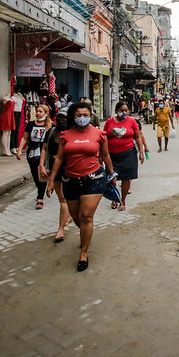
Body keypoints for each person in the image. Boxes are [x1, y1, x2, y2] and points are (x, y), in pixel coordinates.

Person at [47, 101, 116, 271]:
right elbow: (59, 158)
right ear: (73, 116)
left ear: (90, 116)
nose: (82, 118)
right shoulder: (65, 135)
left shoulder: (100, 134)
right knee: (76, 216)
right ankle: (86, 232)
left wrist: (112, 174)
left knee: (86, 216)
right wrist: (51, 180)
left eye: (85, 115)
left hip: (94, 179)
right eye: (78, 115)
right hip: (70, 181)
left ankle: (83, 253)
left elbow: (105, 156)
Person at [103, 101, 146, 211]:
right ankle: (114, 198)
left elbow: (138, 137)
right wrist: (101, 153)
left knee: (126, 178)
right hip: (111, 155)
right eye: (121, 110)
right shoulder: (109, 121)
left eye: (126, 110)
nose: (123, 112)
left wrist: (141, 152)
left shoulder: (132, 121)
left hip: (128, 154)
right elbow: (103, 136)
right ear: (116, 111)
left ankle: (123, 201)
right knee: (112, 178)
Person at [40, 109, 71, 243]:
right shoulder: (52, 132)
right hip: (55, 170)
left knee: (67, 198)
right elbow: (44, 148)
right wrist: (42, 165)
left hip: (71, 170)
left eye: (64, 117)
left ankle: (61, 227)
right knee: (62, 199)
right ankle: (63, 222)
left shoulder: (73, 133)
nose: (61, 120)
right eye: (59, 117)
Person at [17, 105, 52, 209]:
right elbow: (24, 137)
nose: (38, 113)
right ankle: (39, 189)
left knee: (42, 174)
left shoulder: (50, 125)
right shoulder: (31, 124)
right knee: (35, 174)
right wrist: (19, 150)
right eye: (37, 111)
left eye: (40, 111)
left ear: (46, 113)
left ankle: (40, 197)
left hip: (45, 152)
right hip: (32, 152)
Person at [10, 90, 25, 154]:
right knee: (14, 130)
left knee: (17, 130)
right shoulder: (13, 98)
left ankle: (16, 146)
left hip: (19, 112)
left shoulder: (20, 98)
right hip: (14, 112)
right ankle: (12, 146)